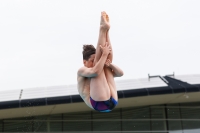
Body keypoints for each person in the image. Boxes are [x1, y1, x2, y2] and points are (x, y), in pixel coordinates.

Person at [77, 11, 124, 112]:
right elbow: (95, 72)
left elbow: (120, 73)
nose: (96, 62)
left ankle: (106, 31)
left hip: (112, 99)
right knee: (99, 65)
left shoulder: (99, 67)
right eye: (92, 60)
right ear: (84, 62)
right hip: (99, 102)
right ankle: (102, 29)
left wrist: (109, 63)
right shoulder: (81, 71)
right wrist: (103, 54)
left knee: (105, 64)